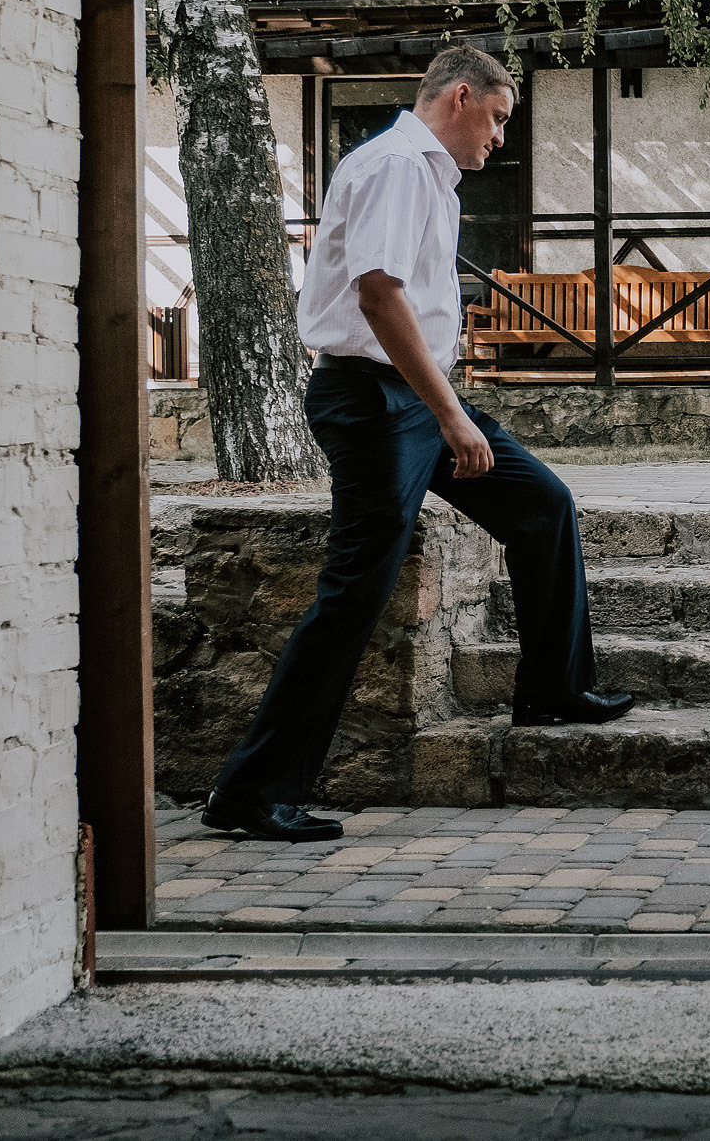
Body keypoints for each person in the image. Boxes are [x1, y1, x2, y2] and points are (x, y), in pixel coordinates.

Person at [202, 46, 633, 843]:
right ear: (460, 97)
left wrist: (441, 407)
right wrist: (451, 415)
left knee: (542, 504)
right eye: (499, 118)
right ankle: (252, 791)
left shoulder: (423, 171)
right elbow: (378, 294)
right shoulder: (399, 165)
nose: (501, 138)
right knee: (354, 592)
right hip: (375, 401)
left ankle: (551, 688)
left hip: (413, 396)